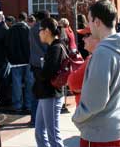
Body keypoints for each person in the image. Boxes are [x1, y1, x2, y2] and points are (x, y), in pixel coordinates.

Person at [72, 0, 120, 147]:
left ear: (97, 22)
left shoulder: (103, 53)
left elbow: (95, 101)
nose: (89, 26)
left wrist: (77, 117)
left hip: (101, 134)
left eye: (89, 21)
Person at [33, 17, 66, 147]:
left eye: (40, 30)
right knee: (40, 132)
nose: (38, 33)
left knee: (53, 136)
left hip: (52, 95)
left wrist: (38, 72)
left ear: (47, 31)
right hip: (46, 94)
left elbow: (47, 73)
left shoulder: (56, 47)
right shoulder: (55, 46)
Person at [5, 12, 32, 113]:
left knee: (17, 84)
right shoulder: (28, 30)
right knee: (29, 82)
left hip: (15, 61)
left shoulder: (10, 30)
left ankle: (17, 105)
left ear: (17, 18)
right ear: (25, 19)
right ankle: (29, 104)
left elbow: (6, 45)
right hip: (28, 60)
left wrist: (9, 57)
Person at [67, 26, 100, 105]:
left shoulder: (93, 59)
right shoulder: (95, 57)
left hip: (89, 112)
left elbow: (73, 82)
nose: (83, 39)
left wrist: (81, 88)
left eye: (86, 35)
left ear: (96, 37)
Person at [29, 10, 50, 126]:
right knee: (45, 93)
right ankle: (41, 120)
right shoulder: (45, 30)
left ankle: (34, 119)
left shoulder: (32, 29)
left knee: (35, 91)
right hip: (44, 63)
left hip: (34, 63)